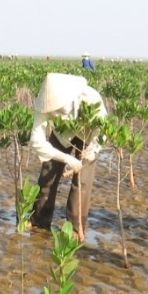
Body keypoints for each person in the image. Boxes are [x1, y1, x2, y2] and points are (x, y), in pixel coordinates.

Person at [29, 73, 107, 243]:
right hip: (61, 134)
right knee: (47, 176)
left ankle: (76, 227)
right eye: (52, 110)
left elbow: (103, 129)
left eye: (58, 108)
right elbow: (36, 140)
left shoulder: (91, 99)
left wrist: (94, 149)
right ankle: (39, 221)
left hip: (88, 134)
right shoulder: (43, 105)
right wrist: (66, 158)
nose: (54, 113)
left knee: (82, 182)